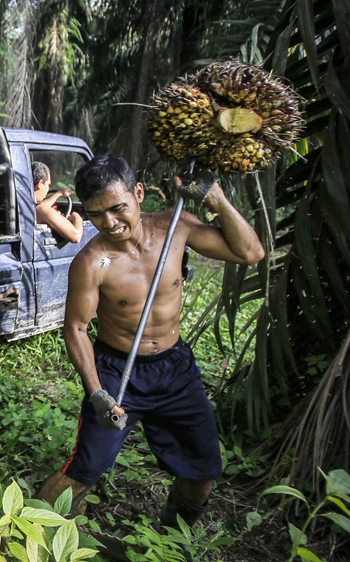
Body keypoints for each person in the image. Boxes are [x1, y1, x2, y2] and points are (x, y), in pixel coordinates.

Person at [37, 155, 264, 532]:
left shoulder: (176, 229)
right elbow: (76, 329)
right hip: (117, 371)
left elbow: (250, 253)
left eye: (117, 208)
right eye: (95, 215)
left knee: (203, 473)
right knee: (84, 471)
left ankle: (171, 541)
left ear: (138, 193)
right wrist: (97, 393)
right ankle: (30, 535)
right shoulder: (93, 262)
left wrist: (217, 200)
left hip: (174, 370)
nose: (108, 223)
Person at [33, 161, 85, 243]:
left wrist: (58, 194)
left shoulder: (26, 205)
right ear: (40, 183)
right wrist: (77, 217)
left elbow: (39, 206)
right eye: (48, 185)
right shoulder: (41, 210)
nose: (48, 189)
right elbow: (76, 236)